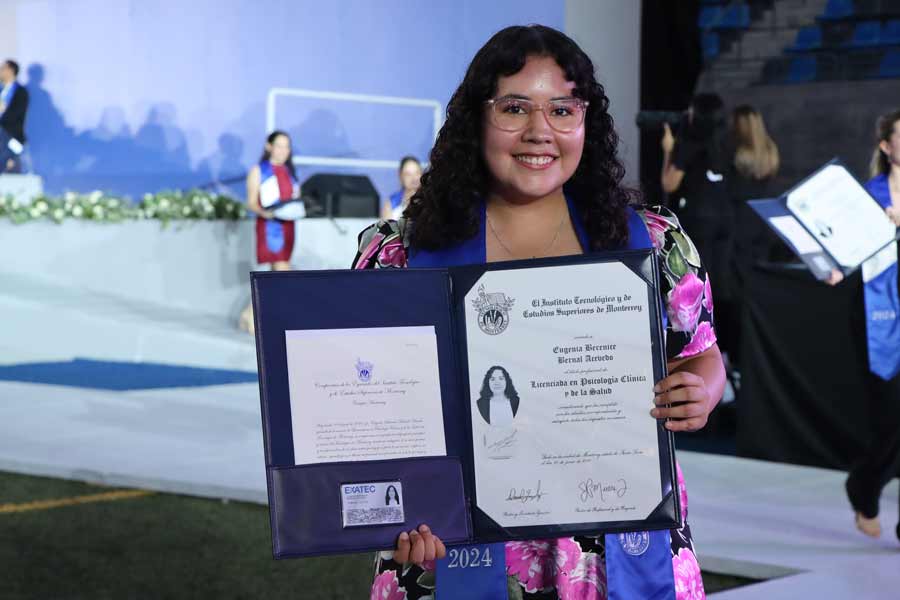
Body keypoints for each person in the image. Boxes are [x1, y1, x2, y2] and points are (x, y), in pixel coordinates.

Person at [353, 25, 725, 599]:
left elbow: (701, 355)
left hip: (610, 547)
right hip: (449, 543)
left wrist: (698, 391)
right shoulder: (400, 253)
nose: (539, 131)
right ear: (476, 118)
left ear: (586, 121)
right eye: (514, 108)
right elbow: (368, 406)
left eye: (561, 109)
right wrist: (391, 506)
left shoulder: (653, 241)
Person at [844, 108, 900, 541]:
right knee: (890, 425)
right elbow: (843, 255)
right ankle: (864, 483)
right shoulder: (867, 196)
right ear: (887, 146)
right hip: (881, 320)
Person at [661, 94, 735, 362]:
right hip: (725, 219)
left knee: (697, 286)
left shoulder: (688, 143)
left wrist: (669, 149)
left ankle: (700, 351)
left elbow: (669, 183)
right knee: (720, 283)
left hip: (698, 220)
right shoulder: (725, 143)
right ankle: (723, 354)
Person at [726, 105, 781, 371]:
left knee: (733, 306)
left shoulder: (733, 158)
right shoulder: (769, 155)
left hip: (739, 235)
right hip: (761, 236)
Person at [238, 131, 300, 333]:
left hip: (288, 225)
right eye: (279, 145)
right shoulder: (259, 171)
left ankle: (249, 313)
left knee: (273, 276)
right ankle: (285, 320)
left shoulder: (290, 172)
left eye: (287, 146)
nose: (283, 150)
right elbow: (251, 202)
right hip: (271, 227)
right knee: (283, 273)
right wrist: (267, 213)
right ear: (269, 146)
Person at [0, 59, 29, 173]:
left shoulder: (20, 92)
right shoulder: (1, 90)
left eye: (3, 69)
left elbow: (17, 115)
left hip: (12, 136)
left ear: (11, 71)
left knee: (10, 166)